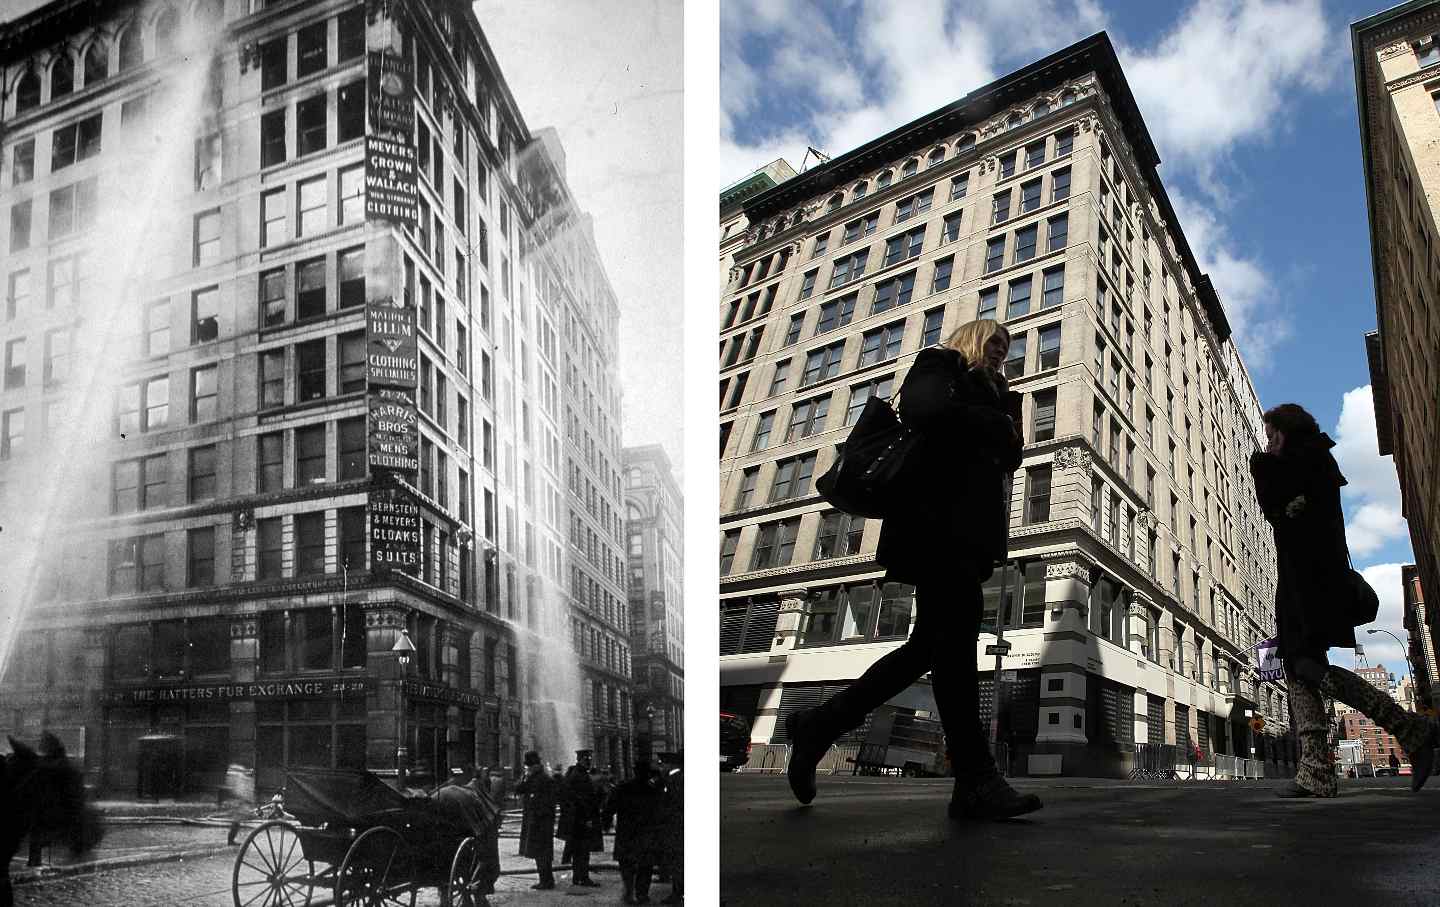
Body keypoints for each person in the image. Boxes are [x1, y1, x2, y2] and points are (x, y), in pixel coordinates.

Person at [784, 320, 1043, 820]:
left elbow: (1010, 456)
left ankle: (820, 725)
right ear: (971, 339)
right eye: (993, 343)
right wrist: (992, 423)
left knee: (932, 648)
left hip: (969, 535)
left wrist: (1001, 421)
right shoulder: (939, 362)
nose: (999, 354)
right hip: (935, 530)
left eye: (1005, 350)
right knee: (952, 648)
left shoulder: (999, 392)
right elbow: (924, 409)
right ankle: (975, 780)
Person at [1249, 403, 1438, 797]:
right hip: (1304, 580)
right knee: (1299, 668)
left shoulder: (1306, 461)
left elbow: (1275, 501)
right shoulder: (1314, 461)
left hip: (1311, 582)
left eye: (1271, 436)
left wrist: (1262, 460)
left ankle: (1408, 728)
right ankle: (1316, 772)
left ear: (1285, 433)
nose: (1266, 444)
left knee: (1304, 665)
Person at [605, 760, 662, 904]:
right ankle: (642, 893)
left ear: (634, 771)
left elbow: (610, 807)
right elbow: (660, 811)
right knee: (646, 864)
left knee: (626, 863)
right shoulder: (652, 789)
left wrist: (605, 822)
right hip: (646, 833)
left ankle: (629, 891)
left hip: (626, 832)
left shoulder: (623, 787)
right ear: (648, 773)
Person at [515, 751, 558, 890]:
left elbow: (548, 802)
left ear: (535, 766)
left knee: (543, 852)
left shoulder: (545, 779)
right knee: (539, 852)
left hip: (542, 822)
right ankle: (544, 880)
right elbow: (518, 789)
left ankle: (547, 881)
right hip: (535, 821)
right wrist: (525, 777)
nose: (528, 769)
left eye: (529, 766)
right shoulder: (532, 778)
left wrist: (539, 816)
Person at [560, 755, 604, 887]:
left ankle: (578, 877)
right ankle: (582, 878)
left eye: (589, 760)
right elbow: (582, 800)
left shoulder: (576, 774)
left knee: (578, 850)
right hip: (581, 820)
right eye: (586, 761)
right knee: (582, 850)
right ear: (580, 760)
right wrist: (587, 818)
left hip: (576, 820)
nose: (589, 763)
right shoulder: (580, 776)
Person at [656, 753, 683, 905]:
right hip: (676, 827)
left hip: (675, 828)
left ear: (670, 765)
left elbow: (671, 805)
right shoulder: (677, 778)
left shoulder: (674, 780)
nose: (660, 767)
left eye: (662, 764)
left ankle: (677, 894)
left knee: (677, 862)